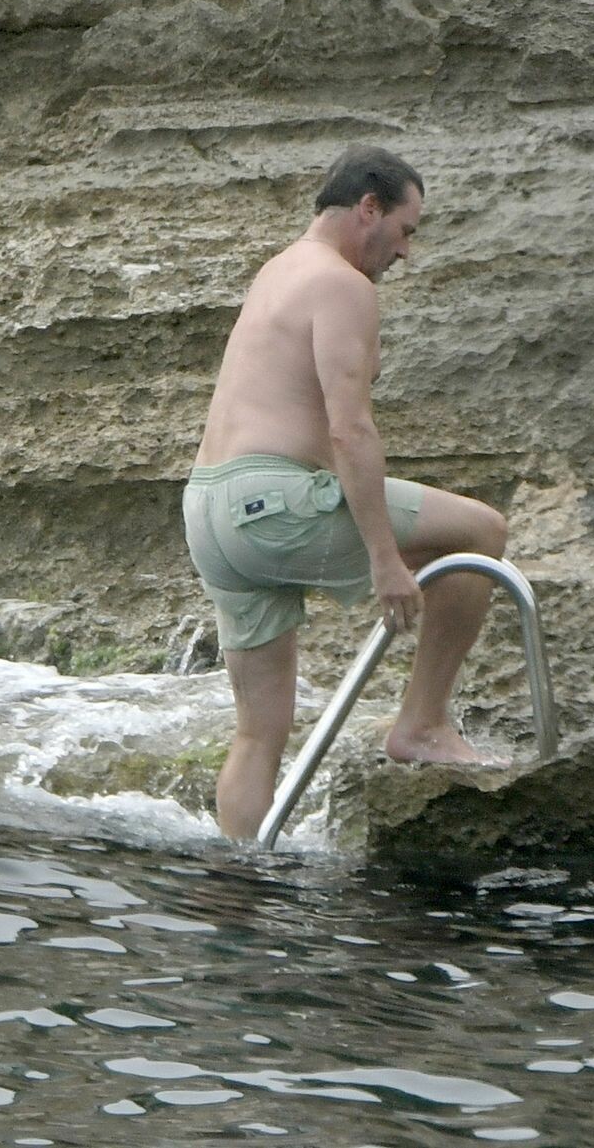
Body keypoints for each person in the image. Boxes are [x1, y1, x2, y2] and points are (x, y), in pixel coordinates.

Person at [183, 144, 509, 840]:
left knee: (258, 733)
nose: (406, 251)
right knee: (480, 533)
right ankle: (422, 725)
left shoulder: (278, 270)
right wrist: (385, 559)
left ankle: (238, 882)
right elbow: (350, 429)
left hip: (209, 507)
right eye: (406, 229)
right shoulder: (342, 284)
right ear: (368, 207)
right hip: (271, 502)